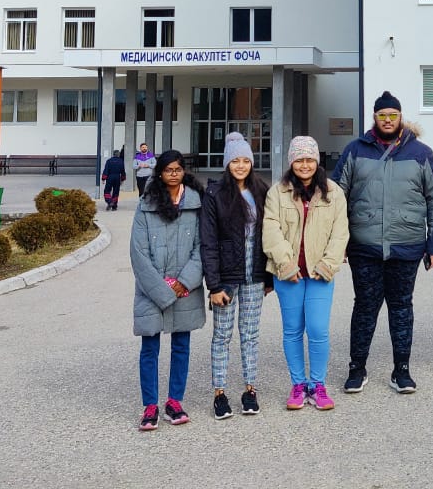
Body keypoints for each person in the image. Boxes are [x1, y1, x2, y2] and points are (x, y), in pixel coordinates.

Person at [332, 91, 433, 395]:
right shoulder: (355, 150)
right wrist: (337, 242)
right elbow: (335, 197)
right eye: (382, 115)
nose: (388, 120)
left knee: (401, 308)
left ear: (401, 118)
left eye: (393, 115)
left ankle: (401, 371)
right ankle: (357, 368)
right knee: (365, 307)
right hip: (364, 246)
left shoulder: (421, 153)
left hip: (406, 245)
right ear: (374, 118)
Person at [263, 135, 349, 411]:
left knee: (318, 329)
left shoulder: (333, 193)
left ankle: (318, 384)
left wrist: (328, 264)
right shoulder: (278, 192)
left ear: (317, 161)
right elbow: (271, 229)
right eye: (299, 159)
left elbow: (340, 233)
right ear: (291, 162)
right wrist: (285, 264)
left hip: (320, 273)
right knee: (292, 330)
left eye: (309, 159)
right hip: (288, 273)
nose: (304, 164)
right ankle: (298, 385)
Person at [130, 149, 206, 430]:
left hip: (185, 287)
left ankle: (175, 401)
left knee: (181, 346)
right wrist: (163, 290)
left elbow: (203, 247)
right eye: (168, 169)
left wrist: (183, 282)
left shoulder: (197, 204)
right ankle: (150, 405)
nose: (173, 174)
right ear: (159, 173)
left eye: (178, 169)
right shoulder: (146, 204)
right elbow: (138, 252)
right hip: (152, 289)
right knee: (149, 347)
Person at [200, 132, 271, 421]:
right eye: (235, 161)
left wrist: (269, 277)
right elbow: (208, 241)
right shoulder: (215, 194)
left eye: (245, 160)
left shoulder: (261, 191)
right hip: (226, 280)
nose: (240, 166)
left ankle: (249, 390)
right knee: (222, 335)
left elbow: (269, 235)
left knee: (251, 335)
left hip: (254, 276)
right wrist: (214, 284)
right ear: (227, 163)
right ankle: (219, 393)